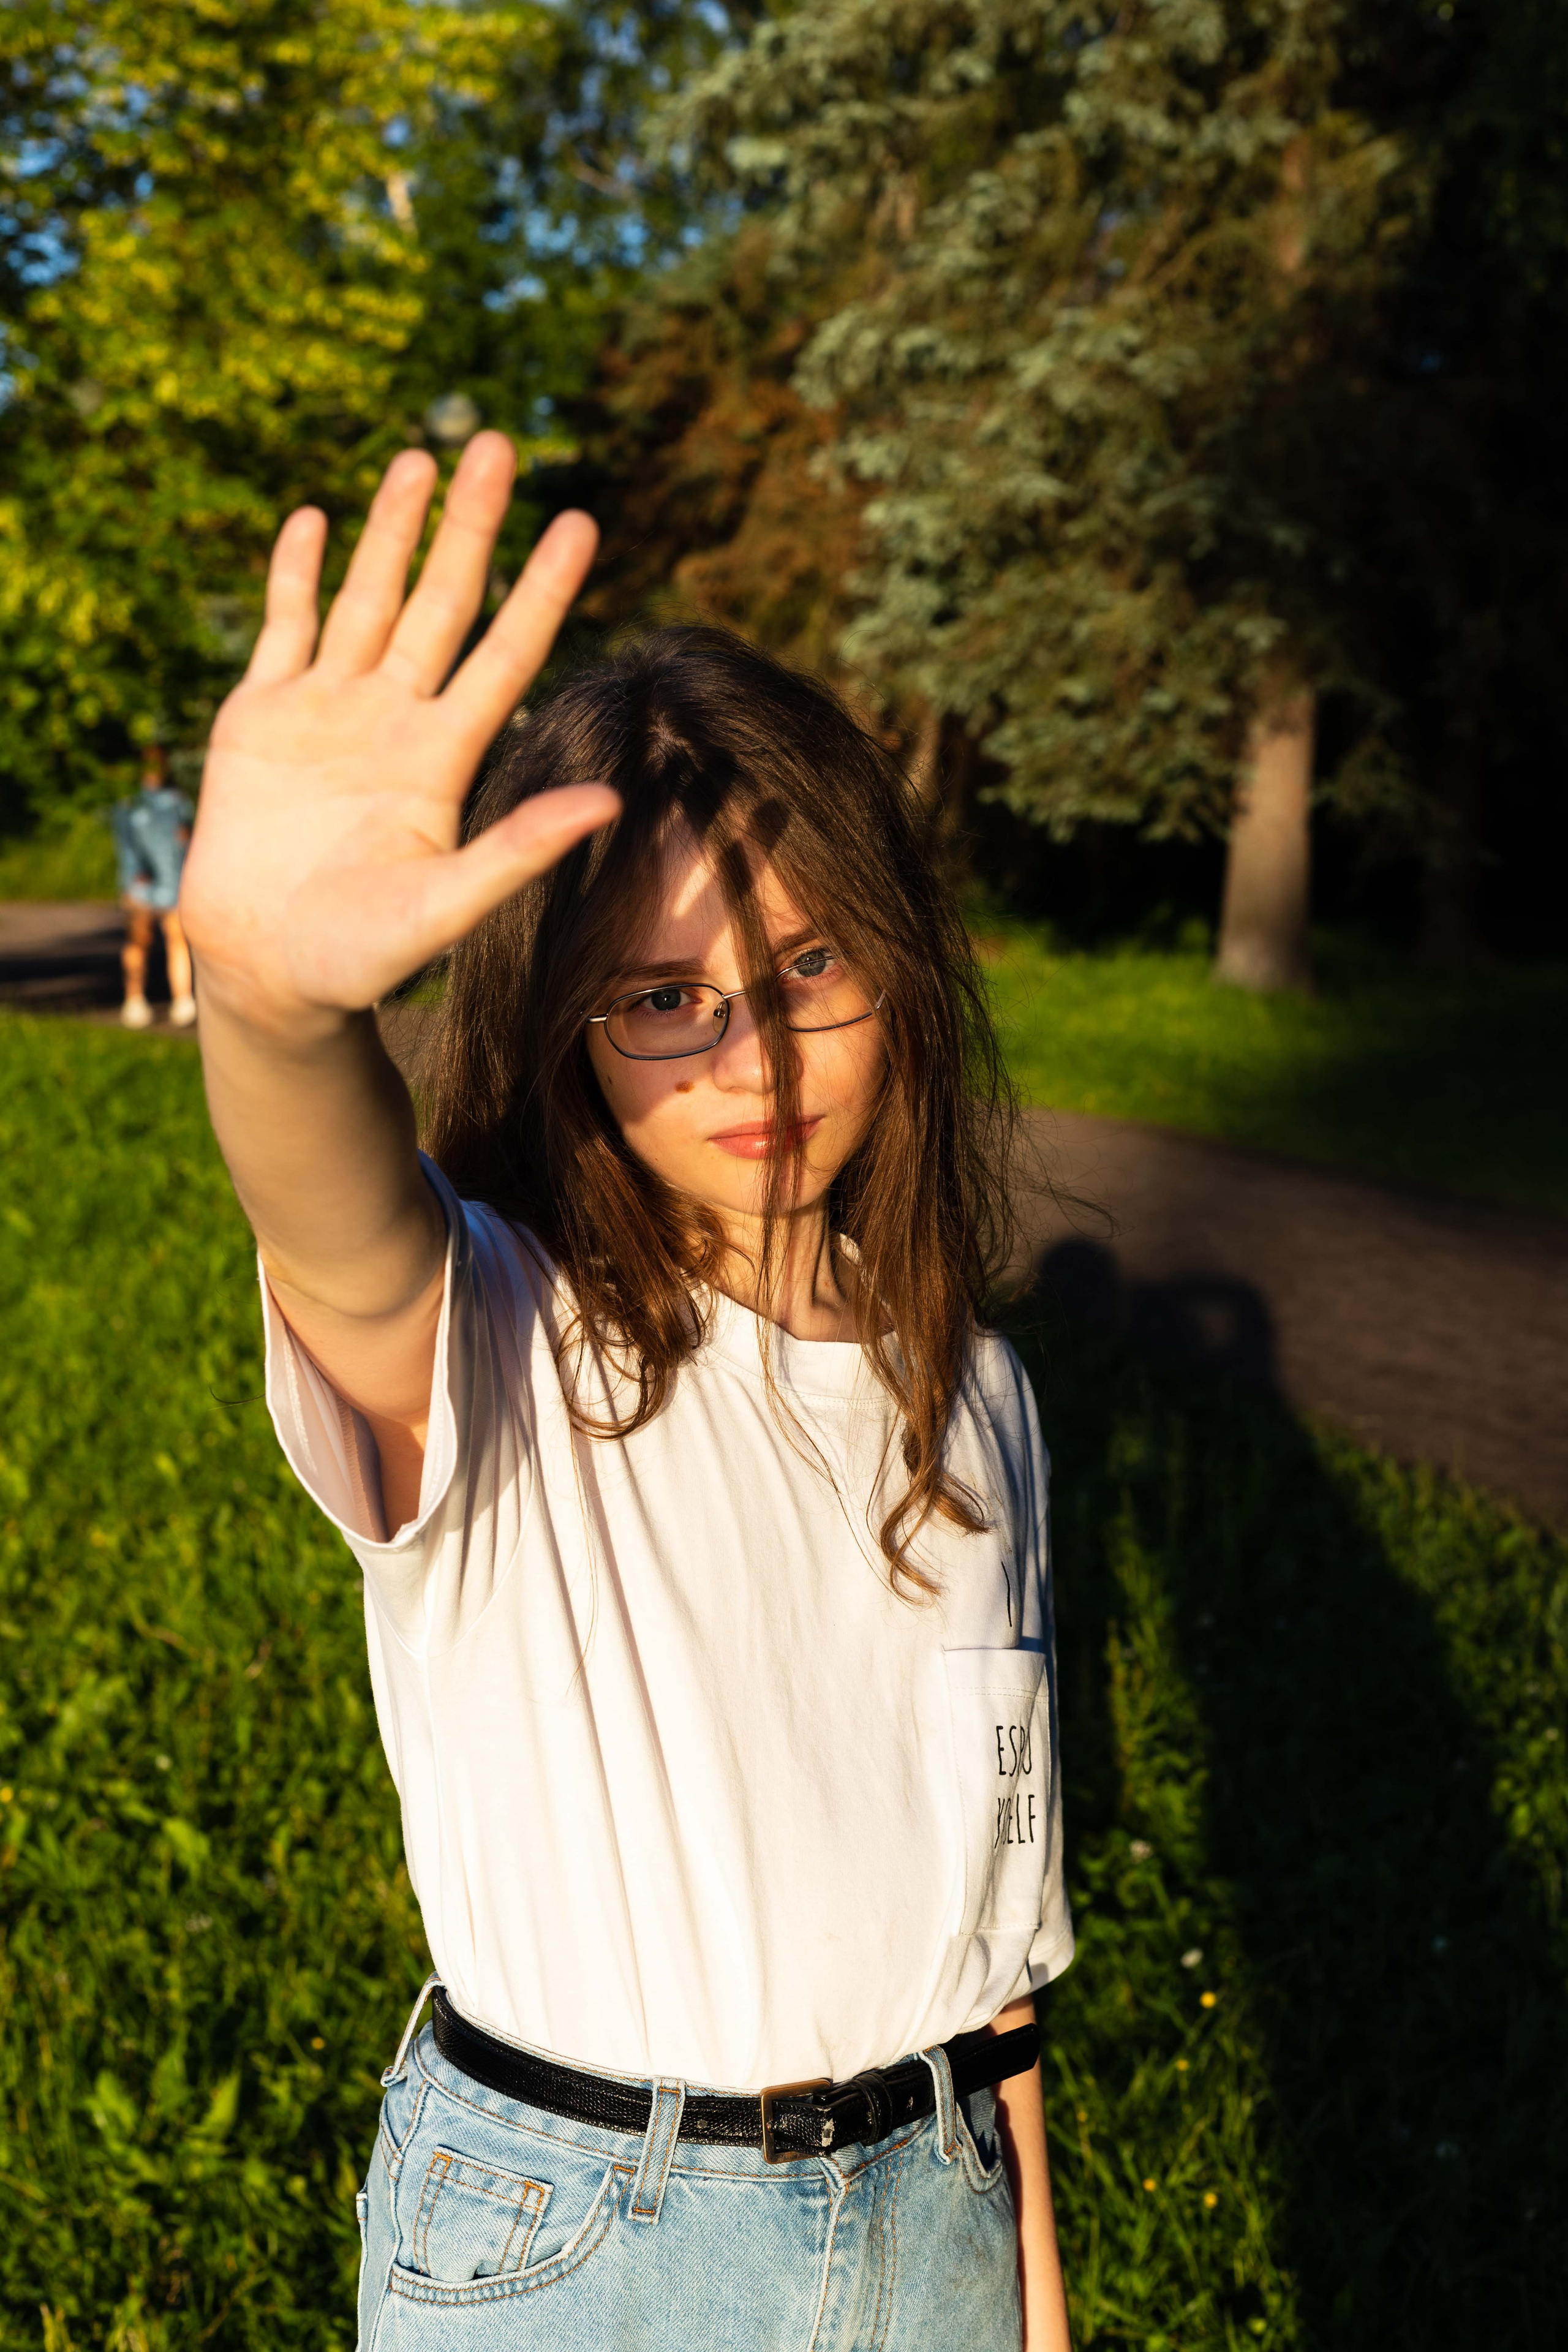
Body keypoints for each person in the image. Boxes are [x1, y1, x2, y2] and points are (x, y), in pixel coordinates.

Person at [181, 435, 1076, 2351]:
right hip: (592, 2242)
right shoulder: (499, 1338)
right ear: (562, 1020)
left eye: (806, 962)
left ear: (900, 970)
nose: (750, 1048)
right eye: (662, 993)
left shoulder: (979, 1392)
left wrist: (1031, 2304)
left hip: (935, 2209)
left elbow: (994, 1953)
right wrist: (269, 1011)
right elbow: (337, 1225)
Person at [111, 745, 196, 1028]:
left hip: (174, 881)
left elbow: (187, 839)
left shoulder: (177, 802)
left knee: (178, 938)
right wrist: (132, 878)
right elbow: (125, 846)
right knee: (139, 939)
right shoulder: (130, 804)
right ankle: (134, 999)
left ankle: (183, 1000)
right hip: (142, 884)